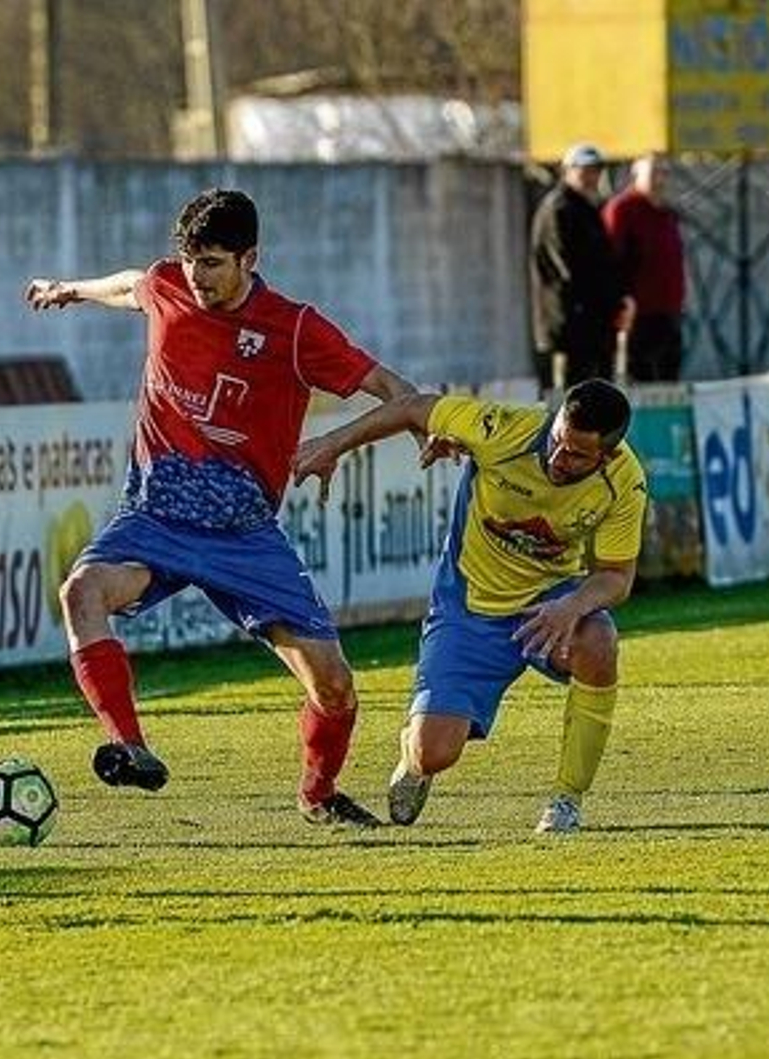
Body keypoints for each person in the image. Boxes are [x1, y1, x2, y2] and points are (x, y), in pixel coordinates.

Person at [24, 188, 420, 827]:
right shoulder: (167, 286)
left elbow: (392, 389)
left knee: (335, 686)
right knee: (81, 593)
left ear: (249, 258)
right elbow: (132, 284)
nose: (196, 278)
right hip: (154, 517)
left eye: (212, 263)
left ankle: (319, 797)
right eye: (189, 262)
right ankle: (130, 745)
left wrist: (417, 425)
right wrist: (68, 289)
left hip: (244, 536)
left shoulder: (294, 329)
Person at [293, 379, 647, 833]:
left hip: (548, 605)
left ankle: (566, 801)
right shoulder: (502, 429)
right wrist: (333, 443)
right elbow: (412, 407)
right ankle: (414, 763)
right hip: (469, 609)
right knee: (433, 753)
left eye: (577, 455)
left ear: (608, 454)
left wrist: (573, 606)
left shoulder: (624, 482)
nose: (559, 459)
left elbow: (617, 577)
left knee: (599, 641)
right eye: (557, 441)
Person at [530, 144, 634, 390]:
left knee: (599, 401)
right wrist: (610, 301)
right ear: (567, 171)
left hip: (594, 327)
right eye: (584, 170)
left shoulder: (588, 208)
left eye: (596, 170)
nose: (592, 176)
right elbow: (572, 271)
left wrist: (618, 302)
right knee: (570, 402)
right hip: (569, 330)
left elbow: (604, 263)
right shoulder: (559, 209)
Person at [603, 153, 685, 382]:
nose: (660, 180)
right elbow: (611, 261)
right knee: (641, 382)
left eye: (664, 173)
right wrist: (620, 302)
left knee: (670, 383)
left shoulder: (666, 214)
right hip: (638, 316)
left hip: (669, 313)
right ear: (636, 174)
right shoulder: (622, 209)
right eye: (653, 173)